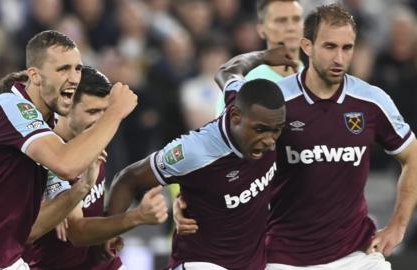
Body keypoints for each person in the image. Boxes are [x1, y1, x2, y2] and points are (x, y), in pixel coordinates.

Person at [176, 3, 417, 270]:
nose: (339, 58)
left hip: (357, 254)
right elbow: (220, 154)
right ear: (307, 46)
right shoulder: (276, 101)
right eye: (329, 46)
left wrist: (398, 225)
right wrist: (186, 200)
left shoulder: (371, 101)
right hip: (285, 258)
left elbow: (412, 155)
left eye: (347, 48)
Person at [0, 30, 139, 269]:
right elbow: (65, 164)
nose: (74, 78)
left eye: (77, 68)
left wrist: (81, 188)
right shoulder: (14, 108)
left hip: (8, 260)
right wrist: (114, 113)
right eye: (63, 69)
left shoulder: (44, 124)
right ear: (35, 75)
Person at [106, 47, 297, 269]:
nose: (269, 140)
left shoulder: (246, 103)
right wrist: (108, 232)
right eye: (261, 129)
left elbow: (228, 70)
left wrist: (262, 57)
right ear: (236, 117)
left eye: (277, 130)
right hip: (201, 262)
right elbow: (128, 178)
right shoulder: (195, 150)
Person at [23, 66, 167, 270]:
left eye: (104, 111)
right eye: (92, 111)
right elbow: (77, 232)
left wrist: (108, 232)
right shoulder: (49, 154)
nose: (101, 121)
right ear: (66, 105)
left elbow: (97, 202)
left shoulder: (95, 135)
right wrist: (136, 216)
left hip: (103, 264)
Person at [215, 0, 305, 115]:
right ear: (261, 30)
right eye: (281, 21)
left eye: (296, 19)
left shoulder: (315, 77)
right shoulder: (242, 79)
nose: (291, 28)